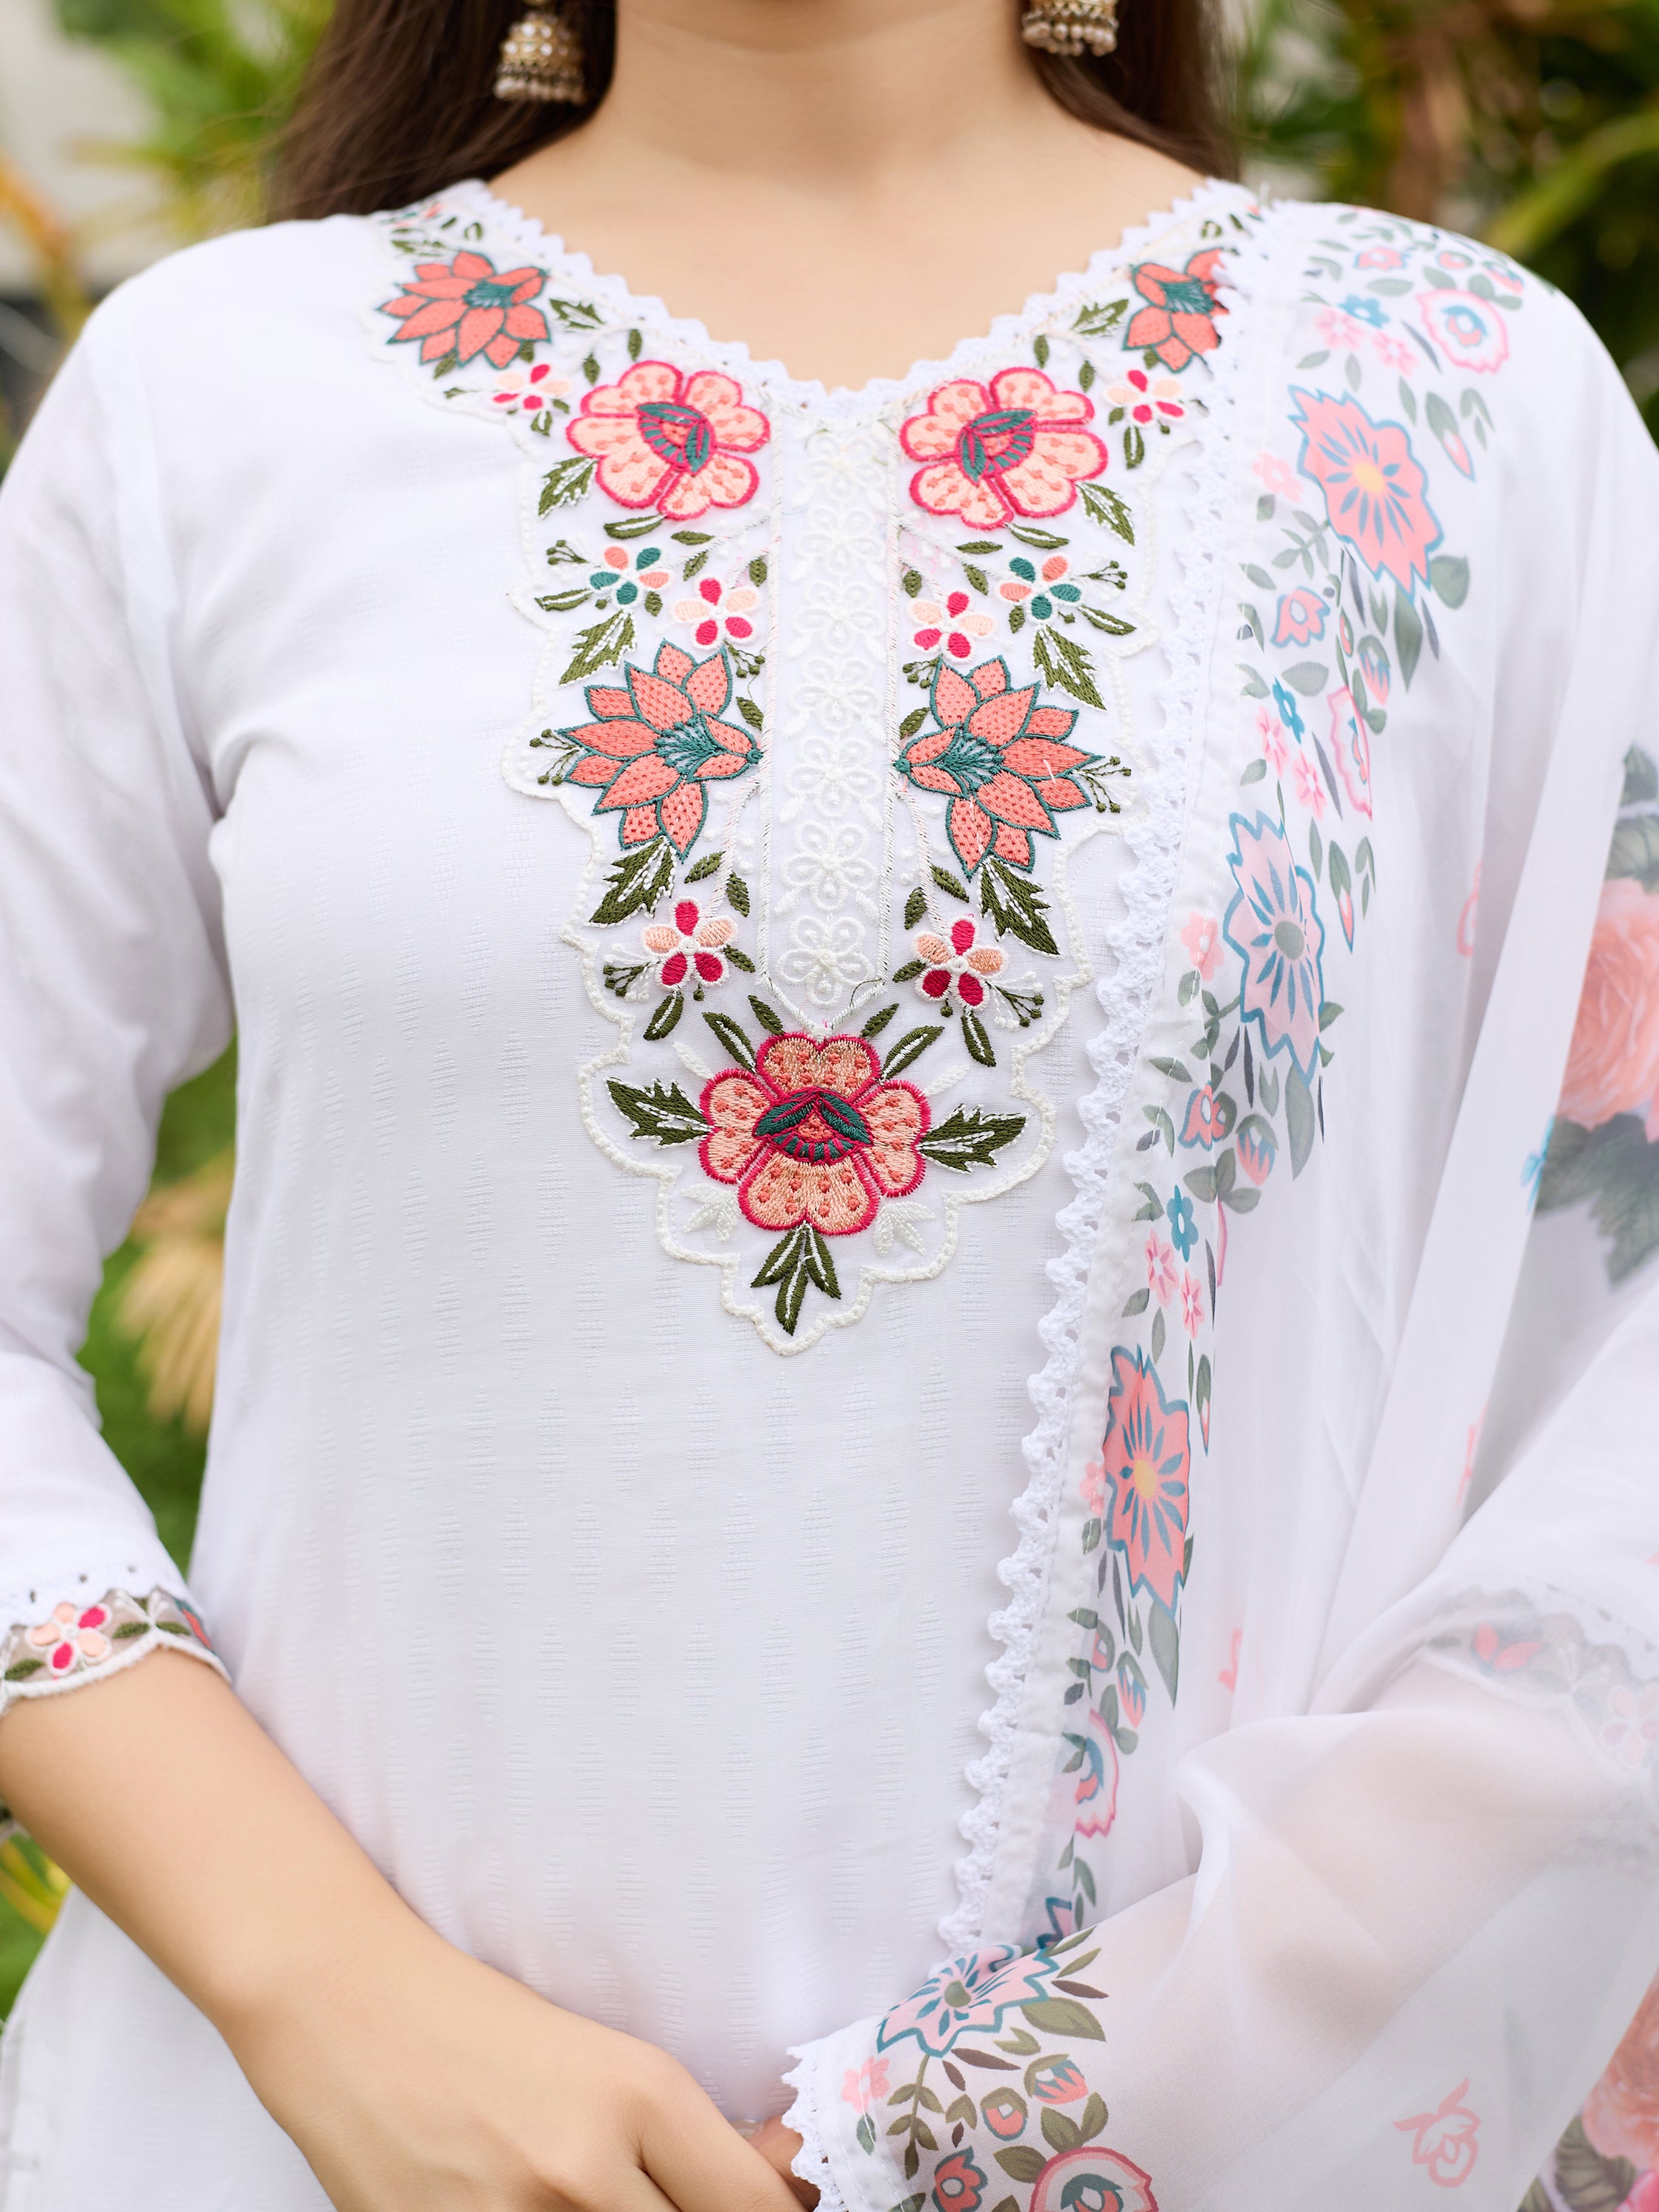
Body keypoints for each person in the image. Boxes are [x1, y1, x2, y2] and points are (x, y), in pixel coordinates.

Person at [2, 1, 1658, 2206]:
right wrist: (326, 1995)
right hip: (301, 2149)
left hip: (1220, 2146)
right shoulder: (216, 400)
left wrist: (1037, 2112)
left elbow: (1615, 1428)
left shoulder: (1462, 405)